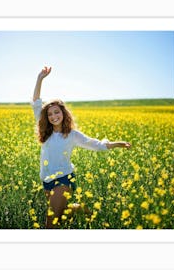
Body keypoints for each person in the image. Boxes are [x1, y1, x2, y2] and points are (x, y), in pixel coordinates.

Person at [31, 66, 131, 228]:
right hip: (46, 180)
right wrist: (40, 78)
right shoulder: (45, 131)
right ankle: (78, 209)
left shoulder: (72, 134)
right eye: (50, 114)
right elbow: (36, 102)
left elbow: (95, 144)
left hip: (63, 179)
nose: (53, 116)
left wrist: (117, 144)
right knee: (61, 217)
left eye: (57, 112)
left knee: (50, 224)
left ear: (63, 113)